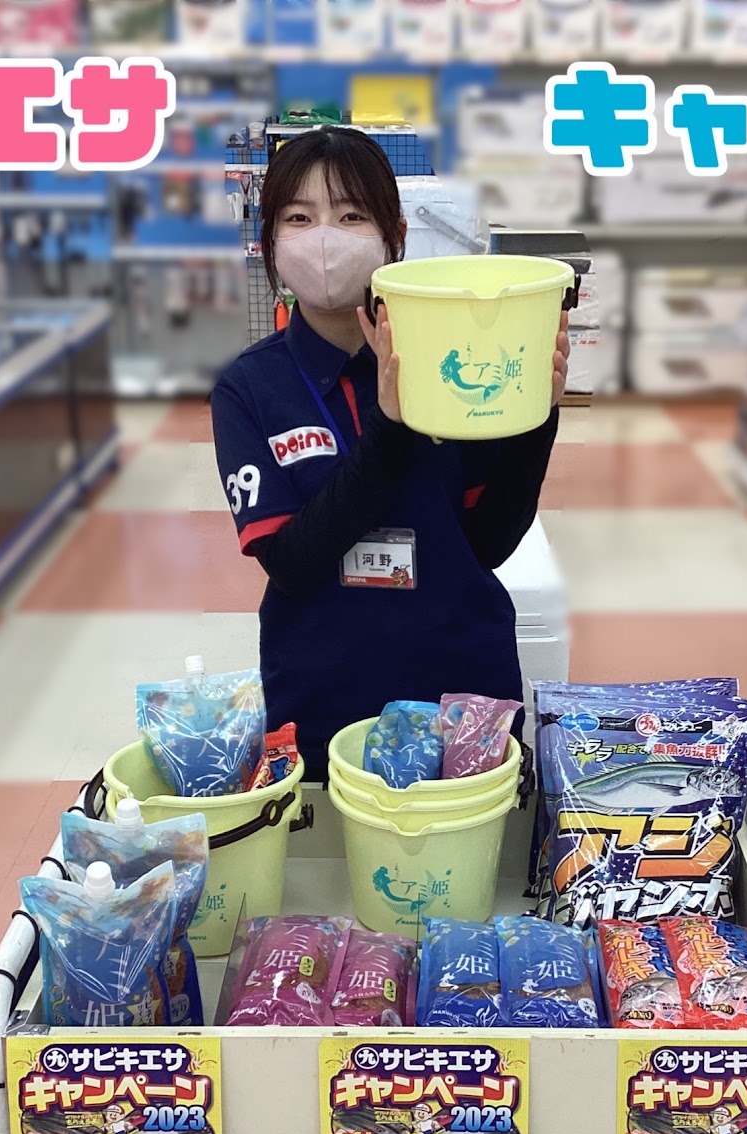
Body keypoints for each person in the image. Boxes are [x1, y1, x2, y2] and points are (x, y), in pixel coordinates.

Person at [211, 126, 568, 773]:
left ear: (394, 236)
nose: (325, 238)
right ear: (270, 241)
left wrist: (536, 418)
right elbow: (291, 561)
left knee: (475, 839)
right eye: (299, 218)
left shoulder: (455, 363)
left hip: (462, 687)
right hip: (323, 690)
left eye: (351, 215)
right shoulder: (250, 389)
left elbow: (488, 541)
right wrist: (394, 427)